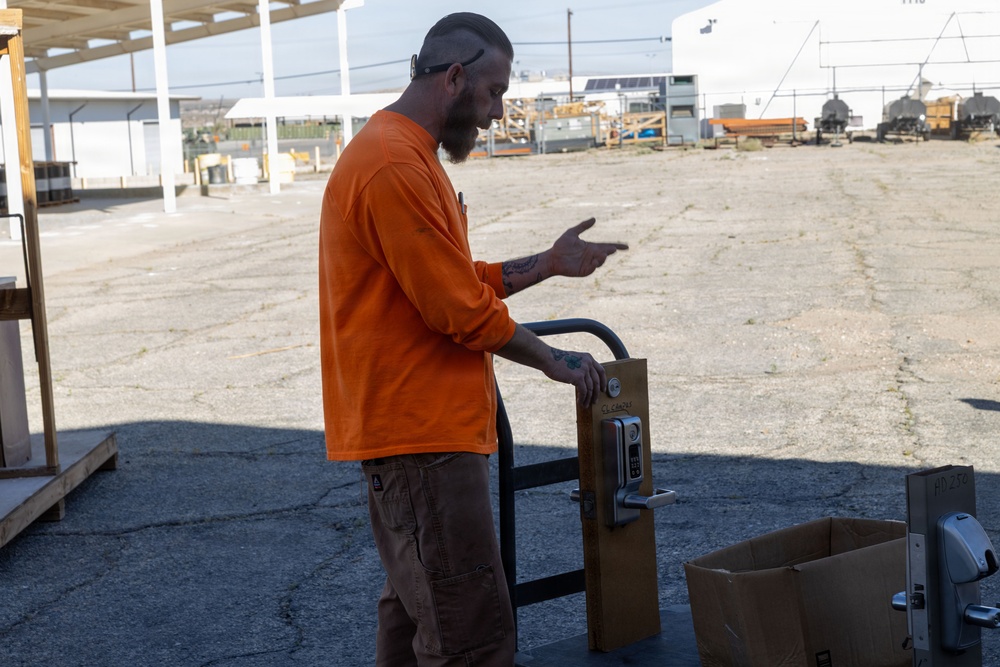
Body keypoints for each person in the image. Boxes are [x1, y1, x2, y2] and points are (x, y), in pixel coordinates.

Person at [318, 12, 628, 666]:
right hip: (422, 443)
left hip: (419, 439)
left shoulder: (405, 155)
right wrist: (555, 359)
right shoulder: (391, 165)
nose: (496, 113)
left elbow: (453, 281)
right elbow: (457, 310)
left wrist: (545, 263)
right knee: (471, 638)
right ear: (454, 77)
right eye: (493, 93)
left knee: (413, 618)